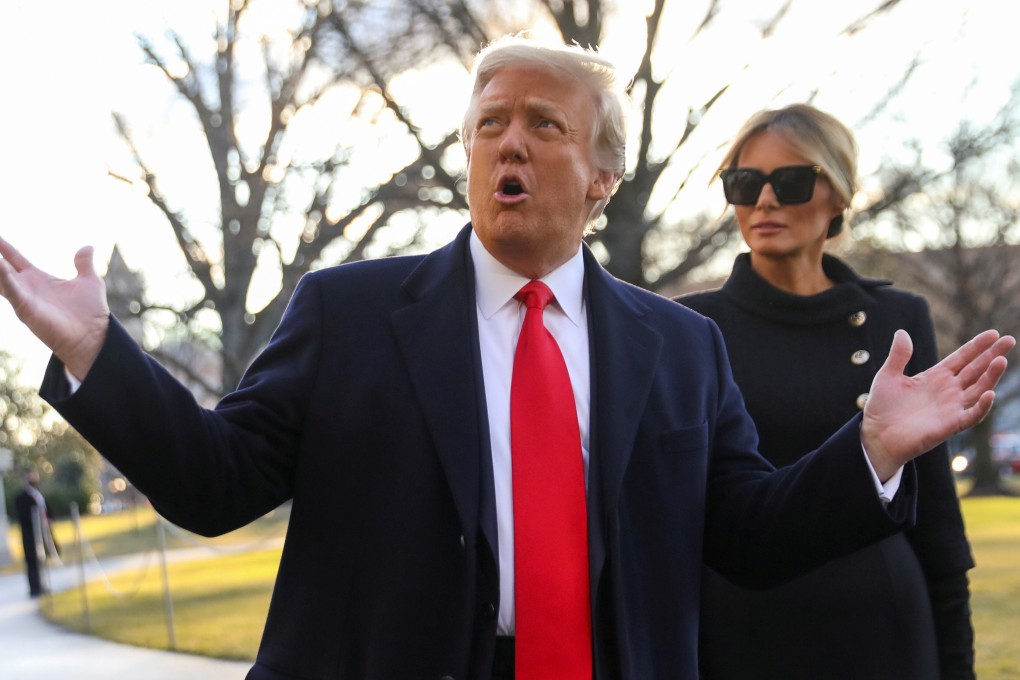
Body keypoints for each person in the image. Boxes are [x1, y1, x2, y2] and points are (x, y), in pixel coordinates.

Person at [0, 36, 1013, 680]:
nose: (508, 144)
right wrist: (98, 352)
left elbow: (748, 532)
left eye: (542, 124)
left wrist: (870, 451)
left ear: (602, 175)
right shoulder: (350, 314)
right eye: (490, 124)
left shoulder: (679, 345)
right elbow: (215, 482)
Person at [679, 103, 977, 679]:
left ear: (838, 195)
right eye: (744, 183)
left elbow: (936, 517)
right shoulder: (690, 327)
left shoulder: (897, 318)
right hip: (742, 634)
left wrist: (957, 666)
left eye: (790, 181)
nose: (765, 200)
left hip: (885, 630)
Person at [14, 470, 51, 597]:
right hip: (30, 536)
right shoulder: (21, 497)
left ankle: (42, 585)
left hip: (42, 534)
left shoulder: (38, 494)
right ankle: (34, 588)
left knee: (42, 559)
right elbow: (24, 516)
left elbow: (46, 509)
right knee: (32, 562)